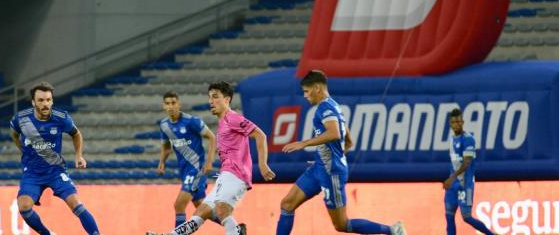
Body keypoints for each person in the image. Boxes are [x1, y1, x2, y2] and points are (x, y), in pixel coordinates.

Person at [275, 70, 407, 235]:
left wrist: (304, 143)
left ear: (317, 88)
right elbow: (348, 140)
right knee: (287, 204)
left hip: (331, 173)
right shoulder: (334, 106)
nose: (305, 96)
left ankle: (393, 230)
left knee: (341, 224)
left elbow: (335, 133)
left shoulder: (325, 108)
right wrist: (325, 158)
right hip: (320, 168)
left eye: (306, 91)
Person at [147, 81, 276, 235]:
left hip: (236, 174)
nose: (211, 101)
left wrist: (262, 164)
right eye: (209, 97)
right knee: (201, 212)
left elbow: (260, 135)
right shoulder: (222, 123)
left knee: (221, 209)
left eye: (215, 97)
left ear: (227, 99)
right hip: (225, 174)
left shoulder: (233, 118)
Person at [9, 81, 100, 235]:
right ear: (33, 102)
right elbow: (14, 134)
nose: (45, 104)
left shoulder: (61, 117)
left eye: (48, 100)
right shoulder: (20, 119)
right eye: (41, 100)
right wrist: (23, 150)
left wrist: (78, 155)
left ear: (52, 100)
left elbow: (76, 134)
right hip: (32, 173)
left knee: (76, 204)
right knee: (23, 206)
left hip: (55, 170)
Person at [156, 91, 217, 227]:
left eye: (173, 103)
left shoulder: (192, 121)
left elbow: (212, 137)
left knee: (179, 205)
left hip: (197, 169)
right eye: (167, 104)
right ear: (163, 106)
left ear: (179, 104)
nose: (171, 106)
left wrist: (209, 162)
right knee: (201, 207)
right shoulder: (164, 125)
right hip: (184, 170)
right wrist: (162, 162)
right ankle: (234, 227)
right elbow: (166, 146)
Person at [443, 108, 496, 235]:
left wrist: (451, 178)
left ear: (463, 122)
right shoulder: (451, 139)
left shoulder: (468, 139)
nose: (456, 124)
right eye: (453, 122)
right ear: (450, 124)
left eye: (458, 122)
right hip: (453, 185)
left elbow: (466, 163)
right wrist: (451, 179)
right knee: (449, 216)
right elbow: (454, 162)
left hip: (465, 184)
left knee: (466, 217)